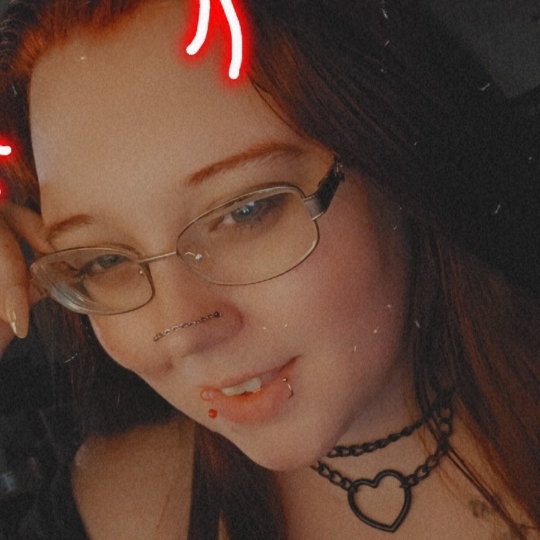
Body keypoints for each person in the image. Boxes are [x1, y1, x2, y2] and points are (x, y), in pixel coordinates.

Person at [0, 0, 539, 538]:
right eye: (104, 260)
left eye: (246, 211)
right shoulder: (112, 513)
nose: (184, 332)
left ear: (390, 155)